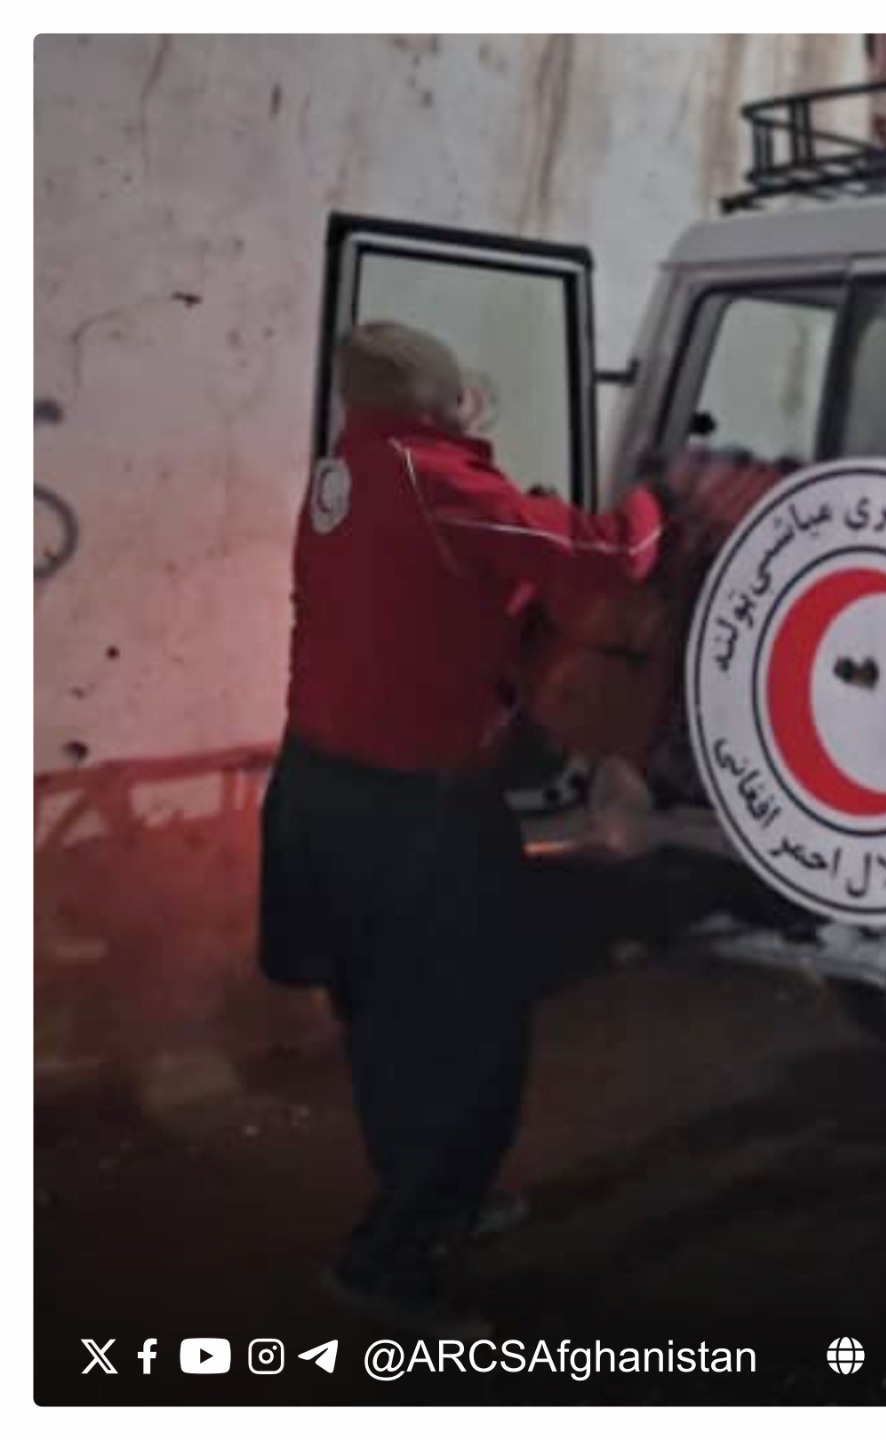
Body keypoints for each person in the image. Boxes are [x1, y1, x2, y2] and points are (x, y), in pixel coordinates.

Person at [260, 320, 667, 1337]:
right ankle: (389, 1260)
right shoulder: (435, 483)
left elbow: (443, 591)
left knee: (392, 1028)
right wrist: (671, 489)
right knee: (473, 1030)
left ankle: (438, 1201)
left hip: (322, 796)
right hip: (419, 814)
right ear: (437, 400)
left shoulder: (341, 478)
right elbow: (616, 556)